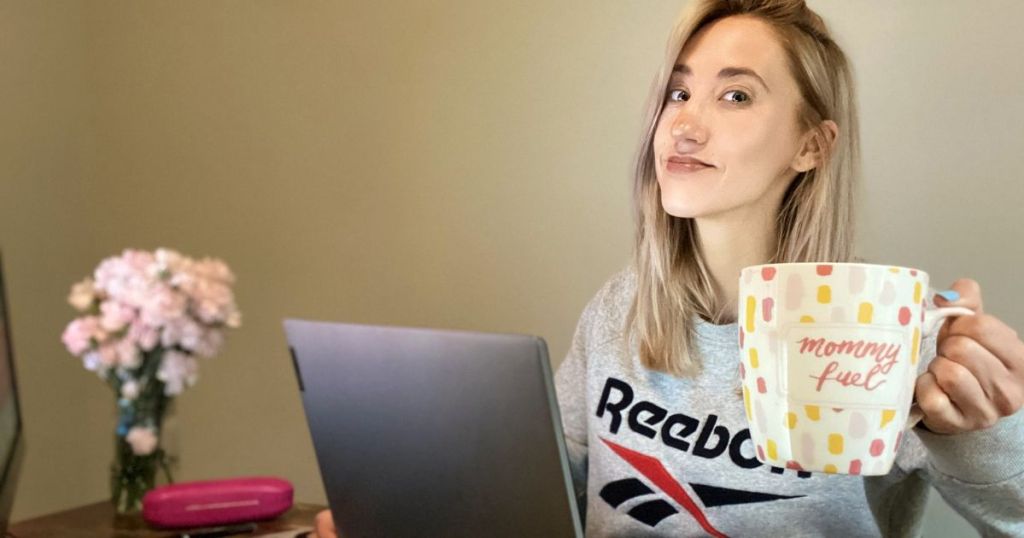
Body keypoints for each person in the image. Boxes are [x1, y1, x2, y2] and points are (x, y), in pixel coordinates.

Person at [313, 0, 1024, 536]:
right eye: (679, 92)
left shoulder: (896, 331)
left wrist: (987, 434)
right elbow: (553, 491)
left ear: (811, 145)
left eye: (735, 94)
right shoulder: (620, 309)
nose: (684, 123)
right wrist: (409, 512)